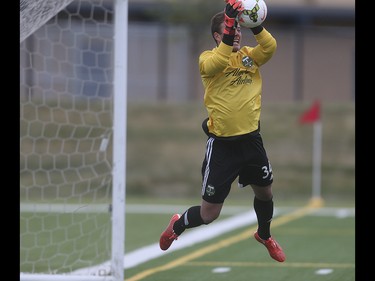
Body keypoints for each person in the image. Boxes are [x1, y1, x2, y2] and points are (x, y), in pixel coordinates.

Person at [159, 0, 285, 263]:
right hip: (223, 147)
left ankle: (264, 234)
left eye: (239, 29)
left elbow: (270, 47)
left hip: (251, 141)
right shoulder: (208, 59)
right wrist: (228, 24)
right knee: (209, 214)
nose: (237, 33)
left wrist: (255, 23)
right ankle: (177, 226)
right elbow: (217, 62)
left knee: (265, 193)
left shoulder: (249, 56)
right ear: (217, 36)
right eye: (231, 30)